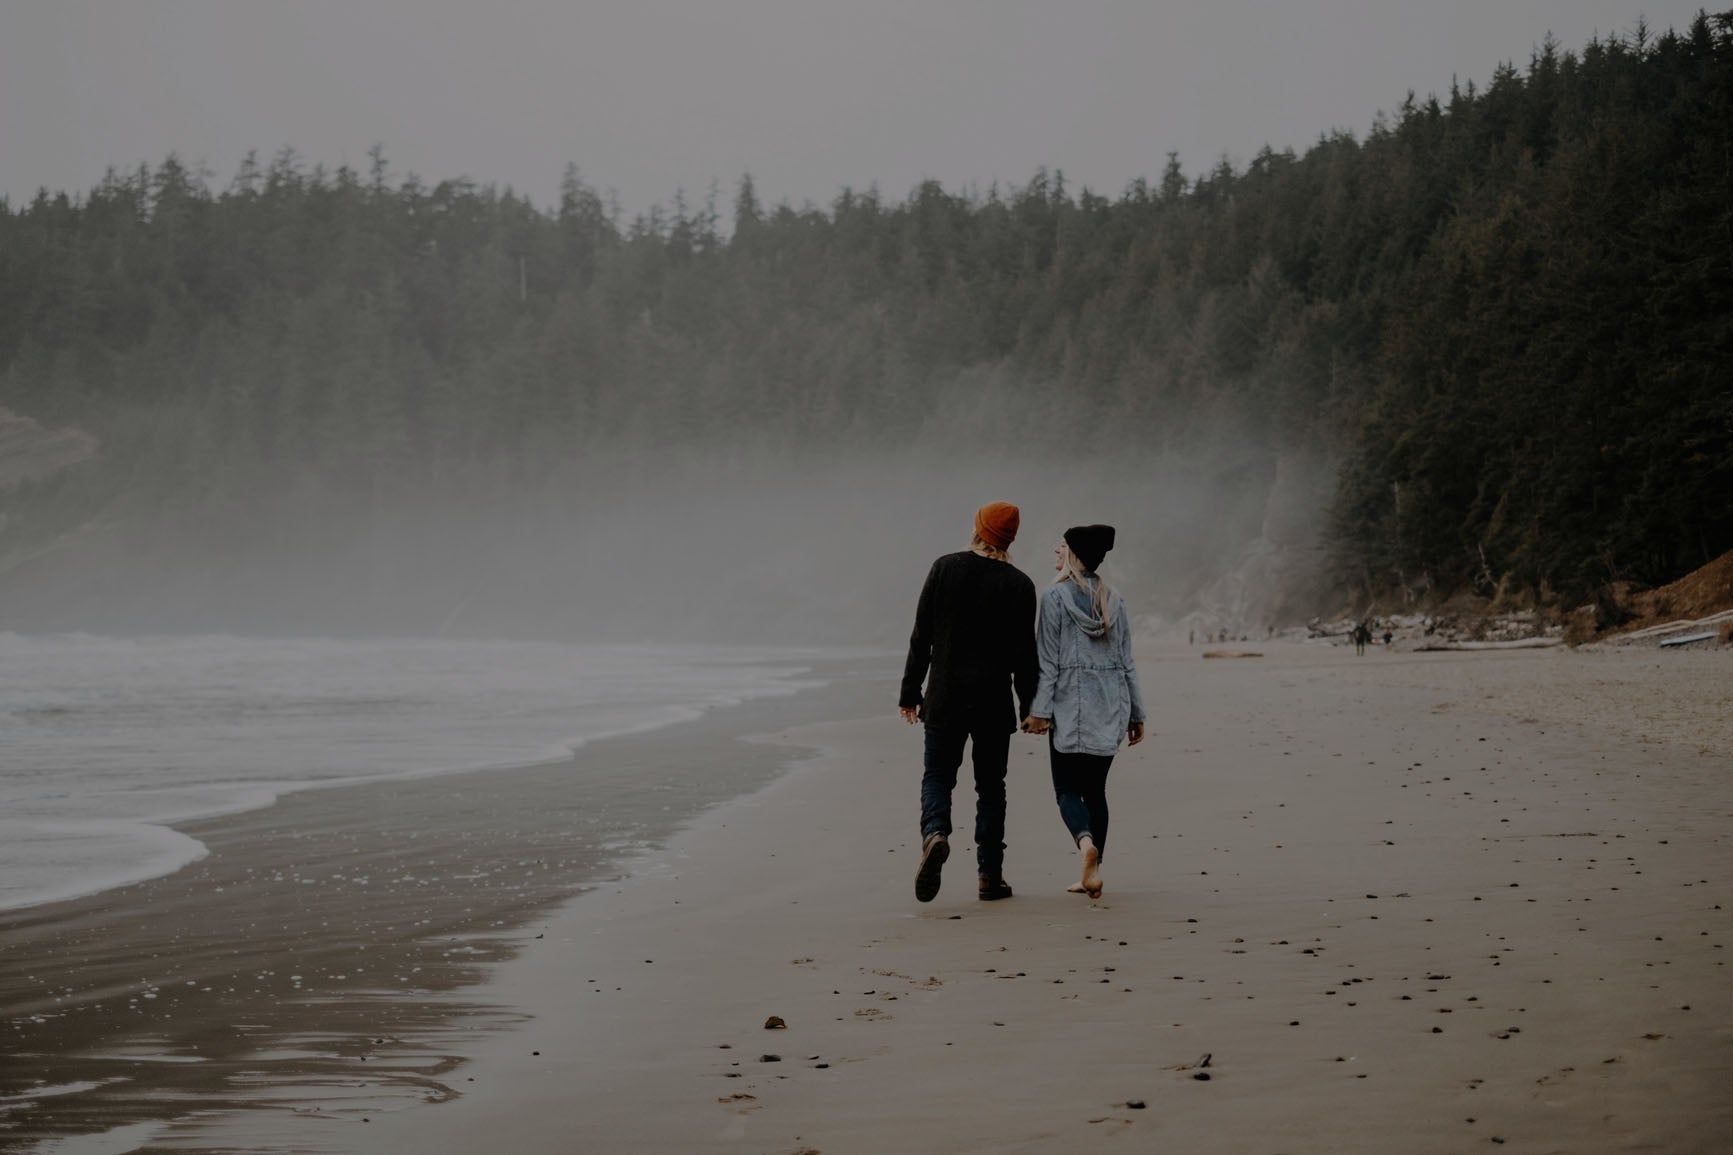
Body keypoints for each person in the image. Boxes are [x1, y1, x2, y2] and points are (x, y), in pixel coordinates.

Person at [899, 502, 1038, 902]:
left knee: (938, 776)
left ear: (977, 530)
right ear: (1009, 538)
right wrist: (1031, 707)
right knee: (991, 788)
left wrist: (910, 693)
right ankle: (989, 877)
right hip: (993, 704)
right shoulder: (1020, 585)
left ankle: (935, 833)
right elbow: (1024, 654)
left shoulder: (944, 568)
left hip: (945, 697)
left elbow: (921, 636)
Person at [1022, 525, 1145, 899]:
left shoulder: (1055, 598)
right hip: (1110, 705)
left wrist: (1039, 711)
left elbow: (1048, 662)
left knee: (1066, 790)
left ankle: (1084, 844)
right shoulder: (1115, 599)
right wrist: (1136, 714)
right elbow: (1127, 663)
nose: (1054, 551)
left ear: (1073, 555)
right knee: (1096, 791)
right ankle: (1095, 868)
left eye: (1062, 547)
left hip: (1070, 709)